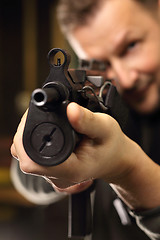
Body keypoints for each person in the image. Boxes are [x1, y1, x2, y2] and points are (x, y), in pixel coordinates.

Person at [11, 0, 160, 239]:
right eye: (100, 65)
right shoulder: (101, 99)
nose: (125, 78)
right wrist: (51, 154)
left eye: (130, 46)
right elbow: (26, 179)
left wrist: (127, 169)